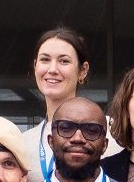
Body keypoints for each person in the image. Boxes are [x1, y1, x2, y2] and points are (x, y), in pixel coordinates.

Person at [21, 27, 96, 172]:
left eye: (64, 61)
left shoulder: (105, 132)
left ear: (83, 71)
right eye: (45, 60)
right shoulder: (23, 142)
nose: (53, 69)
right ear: (36, 65)